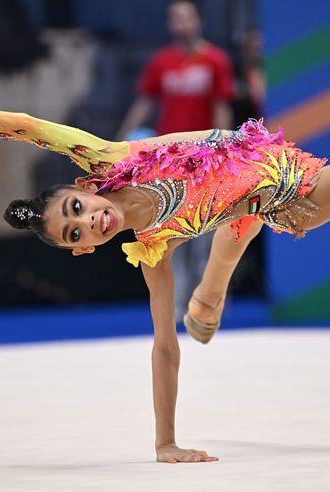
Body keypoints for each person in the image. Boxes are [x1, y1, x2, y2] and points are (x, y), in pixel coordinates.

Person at [0, 99, 330, 463]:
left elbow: (25, 127)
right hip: (295, 197)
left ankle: (216, 295)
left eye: (75, 208)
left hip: (254, 164)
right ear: (87, 248)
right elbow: (164, 348)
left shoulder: (109, 155)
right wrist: (165, 442)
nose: (85, 221)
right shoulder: (153, 249)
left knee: (236, 215)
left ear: (83, 187)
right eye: (75, 234)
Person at [116, 0, 236, 322]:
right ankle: (179, 301)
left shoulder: (216, 60)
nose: (181, 23)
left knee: (207, 230)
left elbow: (222, 105)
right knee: (172, 230)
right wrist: (121, 140)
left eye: (187, 17)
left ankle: (210, 297)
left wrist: (225, 146)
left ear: (200, 20)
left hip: (206, 159)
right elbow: (145, 102)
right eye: (175, 18)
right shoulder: (161, 62)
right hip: (169, 162)